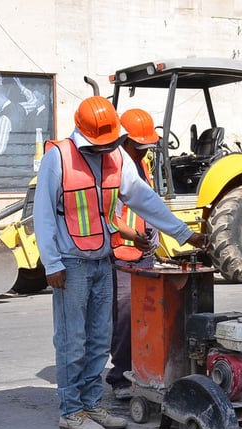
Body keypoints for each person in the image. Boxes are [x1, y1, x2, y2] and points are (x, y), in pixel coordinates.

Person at [33, 96, 209, 429]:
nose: (103, 149)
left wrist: (184, 233)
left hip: (102, 259)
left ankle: (92, 404)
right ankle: (71, 411)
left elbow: (144, 199)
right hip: (70, 264)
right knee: (72, 340)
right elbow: (43, 215)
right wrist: (51, 263)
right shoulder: (58, 158)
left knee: (99, 340)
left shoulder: (116, 157)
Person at [106, 108, 161, 399]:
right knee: (125, 317)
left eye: (145, 147)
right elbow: (109, 216)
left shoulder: (143, 165)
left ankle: (144, 371)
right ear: (123, 142)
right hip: (122, 254)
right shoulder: (113, 170)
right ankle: (120, 378)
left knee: (149, 315)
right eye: (139, 147)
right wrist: (134, 237)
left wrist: (155, 235)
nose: (143, 152)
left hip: (144, 255)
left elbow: (148, 205)